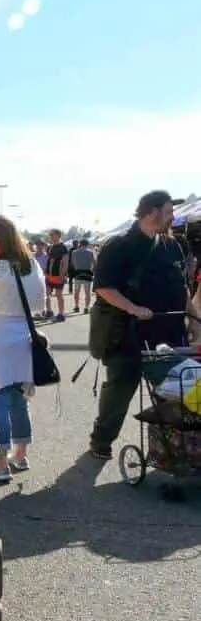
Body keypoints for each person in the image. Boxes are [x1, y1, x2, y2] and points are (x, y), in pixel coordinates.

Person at [89, 190, 190, 460]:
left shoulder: (173, 246)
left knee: (177, 392)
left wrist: (195, 323)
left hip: (170, 333)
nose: (172, 217)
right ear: (150, 212)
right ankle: (102, 439)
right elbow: (104, 288)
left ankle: (177, 450)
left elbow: (183, 289)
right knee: (120, 390)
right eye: (168, 211)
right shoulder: (118, 246)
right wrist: (133, 308)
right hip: (126, 333)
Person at [0, 216, 45, 481]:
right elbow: (41, 303)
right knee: (20, 400)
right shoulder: (31, 265)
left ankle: (0, 462)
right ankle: (20, 454)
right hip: (25, 337)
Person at [43, 229, 68, 322]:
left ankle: (61, 314)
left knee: (58, 294)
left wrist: (63, 274)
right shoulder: (50, 247)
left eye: (52, 235)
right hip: (48, 275)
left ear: (58, 235)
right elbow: (48, 260)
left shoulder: (63, 247)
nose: (51, 237)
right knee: (47, 294)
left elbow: (65, 262)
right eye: (50, 235)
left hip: (58, 275)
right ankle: (49, 311)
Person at [70, 239, 95, 314]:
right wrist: (91, 269)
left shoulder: (74, 252)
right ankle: (86, 308)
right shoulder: (90, 252)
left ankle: (76, 306)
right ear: (87, 244)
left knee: (77, 291)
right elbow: (94, 263)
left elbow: (73, 263)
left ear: (80, 244)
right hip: (87, 272)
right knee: (87, 292)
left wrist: (77, 267)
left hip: (78, 273)